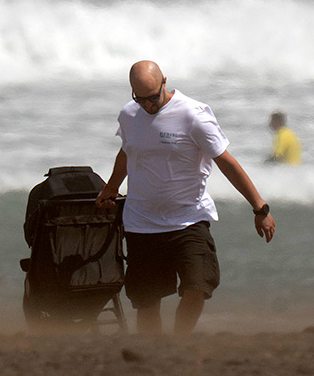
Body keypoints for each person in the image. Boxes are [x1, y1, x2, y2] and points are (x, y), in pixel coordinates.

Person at [95, 61, 275, 334]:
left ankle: (179, 339)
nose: (148, 106)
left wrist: (259, 208)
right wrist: (111, 186)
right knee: (146, 301)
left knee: (198, 286)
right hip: (141, 222)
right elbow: (127, 152)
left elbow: (227, 163)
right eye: (140, 99)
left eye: (153, 98)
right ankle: (151, 353)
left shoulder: (193, 115)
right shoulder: (129, 115)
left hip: (189, 219)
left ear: (164, 82)